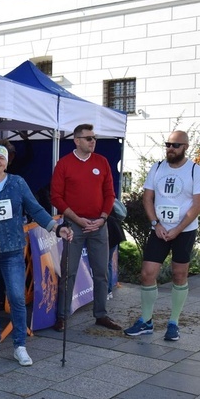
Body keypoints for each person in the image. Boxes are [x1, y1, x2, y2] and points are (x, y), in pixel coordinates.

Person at [0, 145, 72, 366]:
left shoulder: (17, 183)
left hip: (12, 249)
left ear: (7, 162)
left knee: (17, 298)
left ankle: (20, 345)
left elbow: (35, 209)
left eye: (1, 157)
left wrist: (56, 228)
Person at [124, 130, 200, 341]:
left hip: (184, 231)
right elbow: (147, 199)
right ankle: (146, 320)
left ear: (185, 147)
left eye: (175, 145)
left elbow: (198, 205)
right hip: (159, 230)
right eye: (167, 144)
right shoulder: (158, 167)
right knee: (147, 274)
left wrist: (178, 229)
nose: (170, 148)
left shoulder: (195, 171)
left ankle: (173, 323)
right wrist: (156, 224)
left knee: (179, 275)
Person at [51, 124, 122, 332]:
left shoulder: (102, 162)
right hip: (74, 225)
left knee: (101, 272)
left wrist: (102, 218)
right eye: (88, 138)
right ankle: (62, 316)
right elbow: (56, 197)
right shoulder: (64, 164)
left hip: (99, 225)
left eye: (94, 137)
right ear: (77, 140)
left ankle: (101, 314)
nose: (93, 141)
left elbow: (110, 194)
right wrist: (78, 219)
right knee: (69, 272)